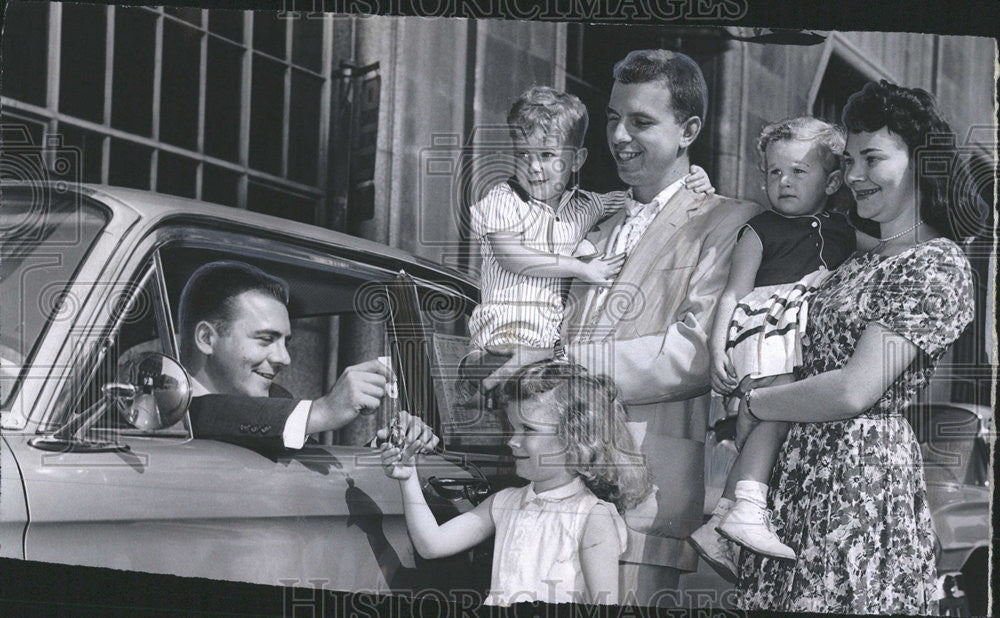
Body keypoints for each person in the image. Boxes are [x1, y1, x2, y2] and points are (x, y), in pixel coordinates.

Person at [485, 50, 762, 606]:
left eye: (640, 121)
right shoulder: (595, 218)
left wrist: (559, 362)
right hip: (555, 494)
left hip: (643, 494)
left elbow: (695, 353)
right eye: (613, 117)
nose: (619, 136)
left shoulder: (729, 221)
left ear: (689, 130)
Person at [736, 80, 976, 614]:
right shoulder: (861, 256)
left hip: (857, 482)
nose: (855, 177)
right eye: (848, 161)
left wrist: (754, 403)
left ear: (919, 161)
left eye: (873, 158)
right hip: (797, 471)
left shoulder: (935, 264)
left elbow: (853, 389)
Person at [689, 117, 859, 573]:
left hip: (796, 334)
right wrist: (716, 348)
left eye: (798, 172)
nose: (783, 182)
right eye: (773, 172)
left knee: (774, 418)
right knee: (774, 409)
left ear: (833, 180)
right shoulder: (759, 229)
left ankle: (720, 522)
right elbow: (732, 292)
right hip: (765, 328)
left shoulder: (843, 231)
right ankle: (747, 505)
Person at [462, 86, 713, 395]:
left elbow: (646, 199)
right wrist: (580, 269)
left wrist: (692, 179)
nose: (534, 166)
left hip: (545, 354)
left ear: (576, 159)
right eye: (523, 154)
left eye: (547, 155)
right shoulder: (504, 198)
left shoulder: (585, 205)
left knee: (540, 427)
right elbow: (511, 255)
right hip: (500, 341)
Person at [381, 360, 651, 605]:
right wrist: (408, 477)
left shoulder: (592, 516)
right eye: (512, 428)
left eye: (528, 429)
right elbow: (432, 545)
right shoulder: (505, 502)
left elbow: (604, 608)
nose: (512, 440)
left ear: (575, 438)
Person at [179, 260, 438, 449]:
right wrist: (324, 410)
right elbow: (201, 413)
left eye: (285, 342)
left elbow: (308, 475)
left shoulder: (279, 404)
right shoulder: (165, 411)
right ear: (206, 338)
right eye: (266, 339)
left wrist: (385, 451)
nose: (284, 358)